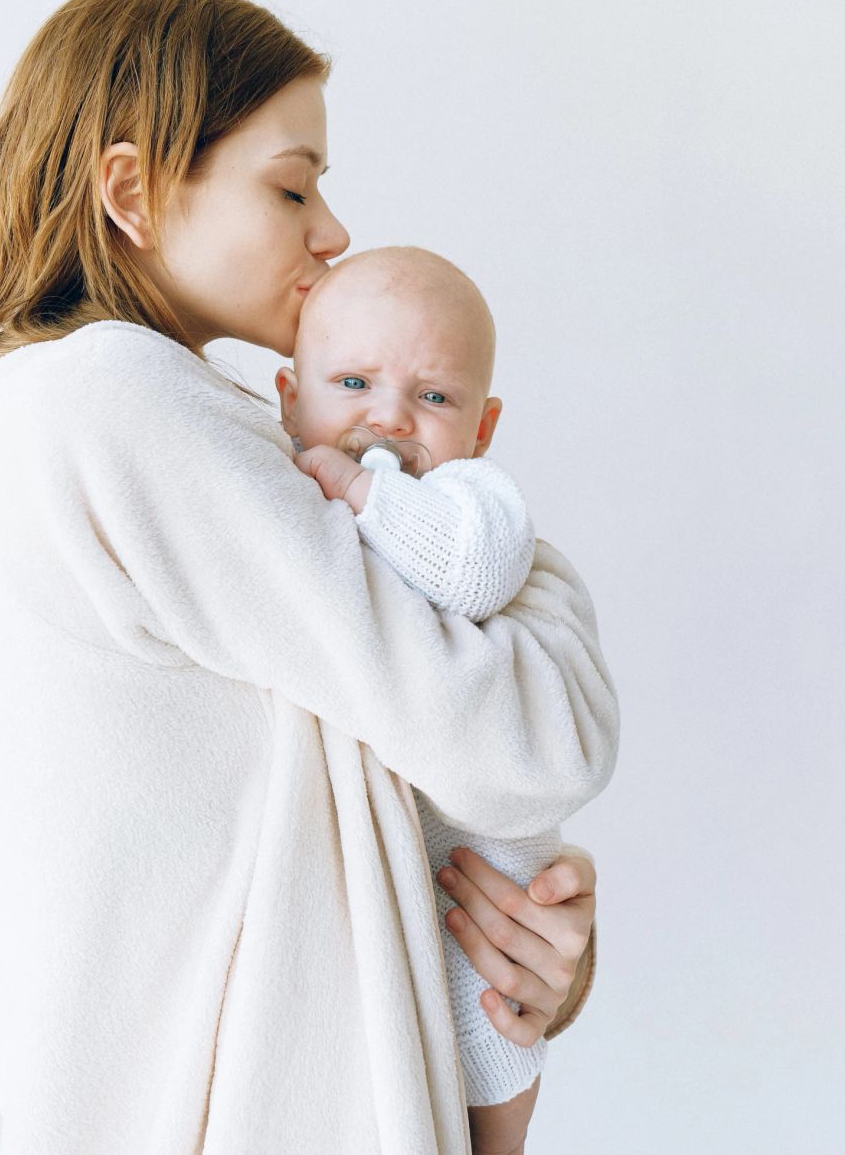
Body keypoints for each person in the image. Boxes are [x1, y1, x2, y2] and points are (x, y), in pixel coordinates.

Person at [0, 0, 619, 1155]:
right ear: (129, 189)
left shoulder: (85, 421)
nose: (331, 232)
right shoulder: (111, 402)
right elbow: (538, 746)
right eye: (291, 185)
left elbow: (389, 763)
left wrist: (513, 951)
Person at [273, 244, 612, 1109]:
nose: (389, 420)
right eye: (352, 383)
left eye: (433, 398)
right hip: (369, 936)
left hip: (482, 877)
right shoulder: (264, 487)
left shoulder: (475, 503)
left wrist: (367, 493)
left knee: (495, 1047)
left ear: (482, 429)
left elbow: (470, 573)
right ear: (288, 397)